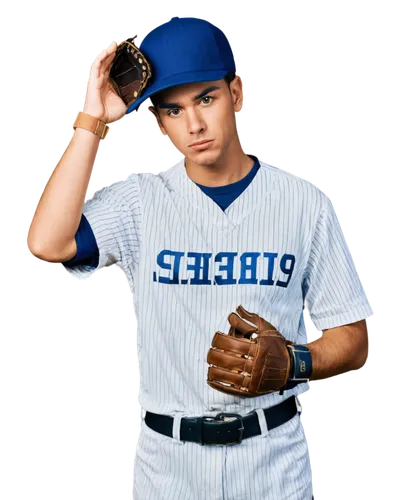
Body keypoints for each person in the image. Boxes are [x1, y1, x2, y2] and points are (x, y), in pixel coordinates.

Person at [26, 14, 375, 500]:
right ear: (159, 121)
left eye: (206, 98)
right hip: (167, 469)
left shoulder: (303, 202)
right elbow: (47, 243)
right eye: (172, 109)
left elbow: (354, 339)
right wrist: (94, 121)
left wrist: (296, 362)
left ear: (237, 93)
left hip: (272, 463)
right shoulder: (139, 202)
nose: (192, 124)